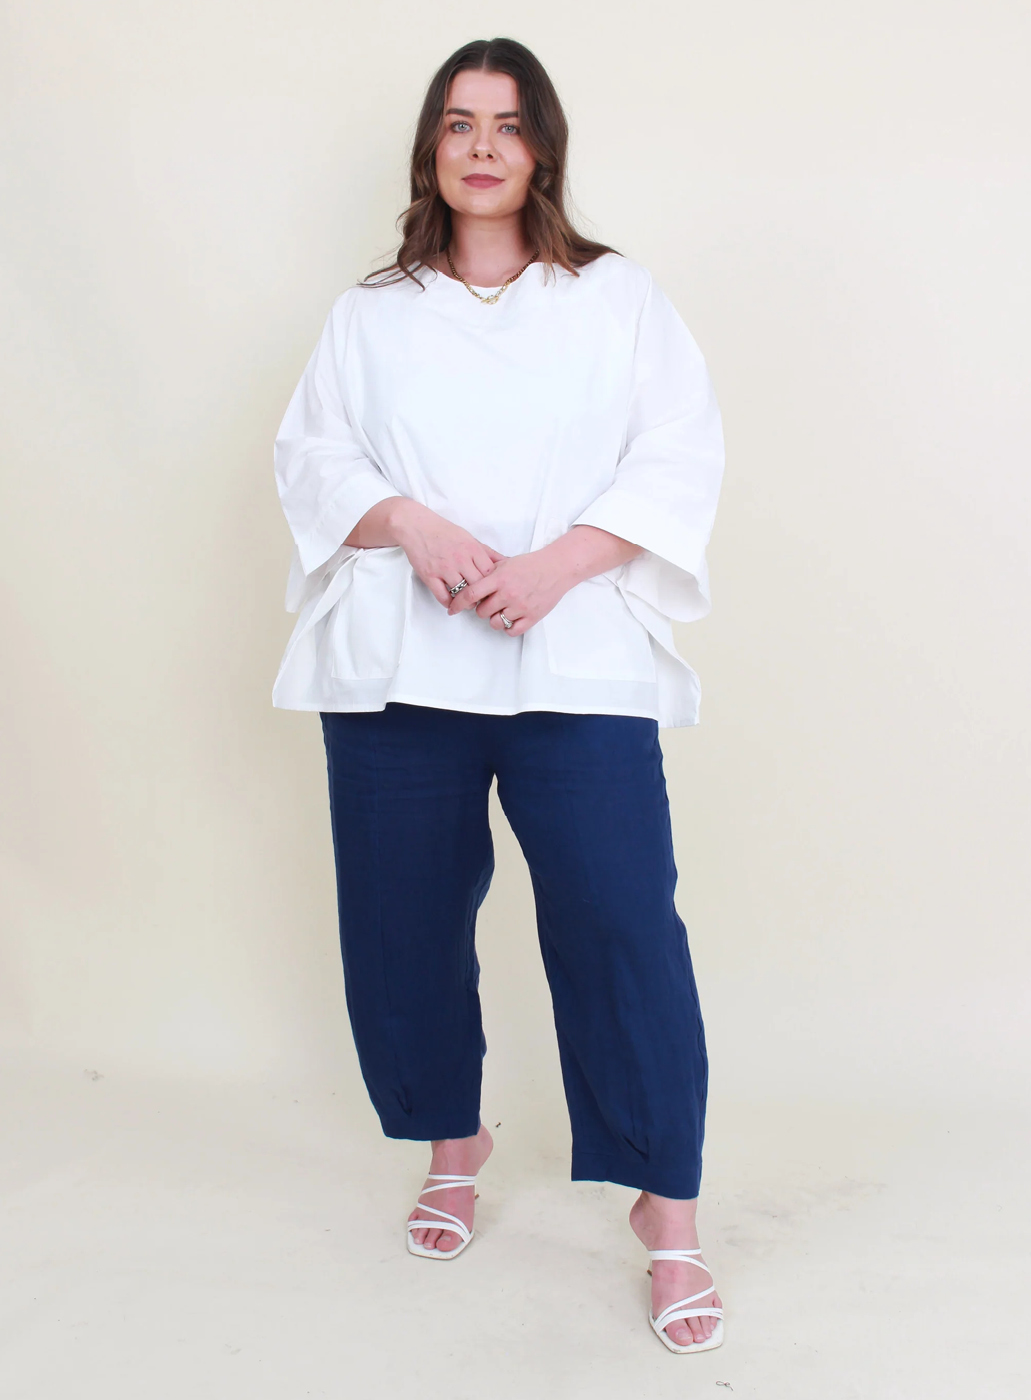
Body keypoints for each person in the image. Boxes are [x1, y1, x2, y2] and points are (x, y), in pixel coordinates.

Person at [272, 36, 725, 1355]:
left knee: (621, 920)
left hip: (572, 653)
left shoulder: (616, 297)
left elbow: (677, 453)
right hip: (398, 661)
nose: (483, 146)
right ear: (431, 148)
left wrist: (555, 567)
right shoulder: (371, 313)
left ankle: (669, 1211)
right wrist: (408, 523)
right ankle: (452, 1141)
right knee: (402, 919)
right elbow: (314, 455)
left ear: (543, 150)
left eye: (509, 124)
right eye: (461, 122)